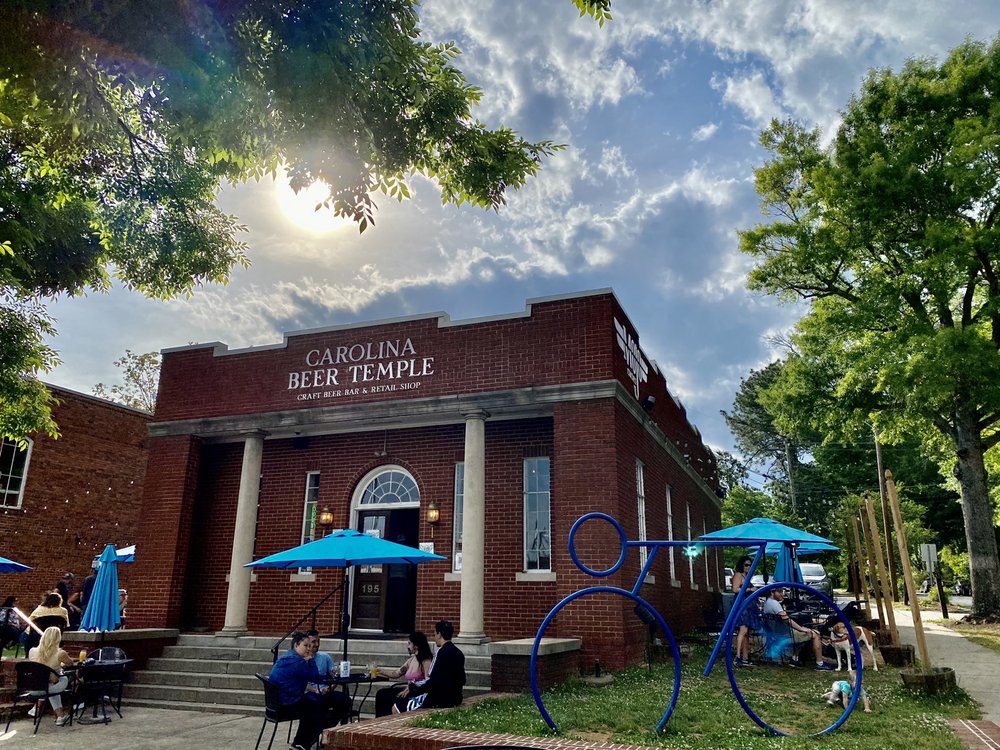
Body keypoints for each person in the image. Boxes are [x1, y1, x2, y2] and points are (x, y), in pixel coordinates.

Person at [268, 631, 347, 750]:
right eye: (306, 645)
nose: (308, 649)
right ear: (296, 646)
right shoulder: (298, 661)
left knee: (317, 704)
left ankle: (303, 741)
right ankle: (303, 742)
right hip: (287, 703)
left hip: (278, 703)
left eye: (309, 646)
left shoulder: (287, 657)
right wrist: (310, 660)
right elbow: (314, 676)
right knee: (316, 707)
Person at [392, 620, 465, 713]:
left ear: (439, 634)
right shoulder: (459, 653)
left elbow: (431, 679)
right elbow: (463, 679)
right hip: (456, 698)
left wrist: (413, 686)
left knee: (396, 707)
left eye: (435, 634)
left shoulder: (440, 653)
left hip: (439, 700)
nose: (435, 638)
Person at [762, 588, 834, 670]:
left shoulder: (768, 603)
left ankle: (794, 659)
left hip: (776, 633)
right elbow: (787, 620)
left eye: (782, 591)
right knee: (815, 634)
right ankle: (820, 663)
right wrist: (801, 629)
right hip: (785, 635)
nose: (782, 594)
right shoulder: (774, 604)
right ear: (772, 592)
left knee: (804, 633)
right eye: (779, 592)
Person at [374, 631, 433, 717]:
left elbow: (428, 681)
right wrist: (379, 670)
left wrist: (412, 687)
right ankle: (379, 721)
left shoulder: (426, 661)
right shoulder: (411, 660)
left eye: (409, 644)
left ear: (416, 646)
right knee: (381, 694)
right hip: (407, 690)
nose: (407, 647)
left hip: (416, 693)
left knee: (390, 699)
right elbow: (396, 673)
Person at [27, 625, 75, 725]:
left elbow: (42, 667)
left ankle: (38, 709)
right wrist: (60, 665)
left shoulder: (32, 651)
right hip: (50, 685)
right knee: (57, 682)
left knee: (48, 684)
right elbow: (71, 664)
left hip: (33, 688)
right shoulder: (60, 653)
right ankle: (60, 716)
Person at [731, 555, 761, 667]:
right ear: (741, 565)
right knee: (743, 630)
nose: (748, 567)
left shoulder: (747, 576)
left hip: (749, 607)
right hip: (741, 606)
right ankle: (738, 657)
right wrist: (749, 589)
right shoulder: (738, 575)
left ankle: (745, 657)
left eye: (750, 565)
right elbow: (735, 589)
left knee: (746, 632)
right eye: (746, 565)